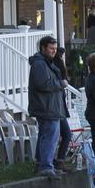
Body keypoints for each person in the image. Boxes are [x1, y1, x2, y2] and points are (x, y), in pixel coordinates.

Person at [28, 36, 68, 178]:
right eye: (51, 48)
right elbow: (43, 84)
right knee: (49, 137)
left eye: (55, 49)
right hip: (45, 107)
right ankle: (45, 166)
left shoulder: (48, 62)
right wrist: (60, 84)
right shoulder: (39, 64)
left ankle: (46, 164)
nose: (53, 51)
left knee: (51, 137)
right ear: (43, 48)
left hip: (51, 107)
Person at [52, 47, 73, 168]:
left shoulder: (55, 63)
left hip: (59, 108)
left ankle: (59, 161)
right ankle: (57, 161)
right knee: (65, 134)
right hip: (56, 109)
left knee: (64, 135)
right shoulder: (56, 64)